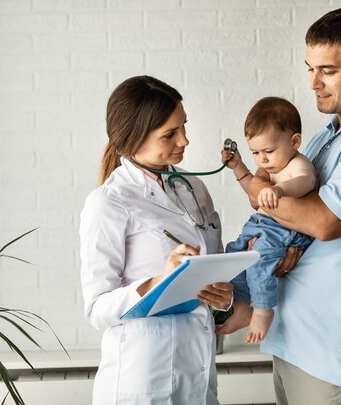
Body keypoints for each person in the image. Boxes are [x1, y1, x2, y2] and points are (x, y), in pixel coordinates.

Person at [217, 7, 341, 405]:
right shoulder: (325, 137)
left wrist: (275, 205)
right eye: (309, 68)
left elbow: (324, 221)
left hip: (339, 352)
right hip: (296, 339)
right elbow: (275, 197)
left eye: (327, 70)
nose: (313, 83)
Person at [80, 75, 234, 405]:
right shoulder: (108, 202)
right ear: (134, 138)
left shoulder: (194, 189)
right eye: (170, 134)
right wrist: (160, 280)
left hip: (200, 375)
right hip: (142, 382)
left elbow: (213, 271)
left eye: (184, 127)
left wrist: (224, 300)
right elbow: (97, 308)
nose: (185, 141)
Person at [221, 97, 316, 343]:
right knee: (234, 255)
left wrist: (280, 190)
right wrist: (238, 166)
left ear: (294, 141)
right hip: (260, 224)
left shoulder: (298, 164)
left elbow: (306, 182)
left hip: (283, 231)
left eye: (268, 151)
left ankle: (263, 310)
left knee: (259, 261)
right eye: (255, 152)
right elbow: (253, 193)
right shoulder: (270, 168)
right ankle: (242, 304)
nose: (262, 160)